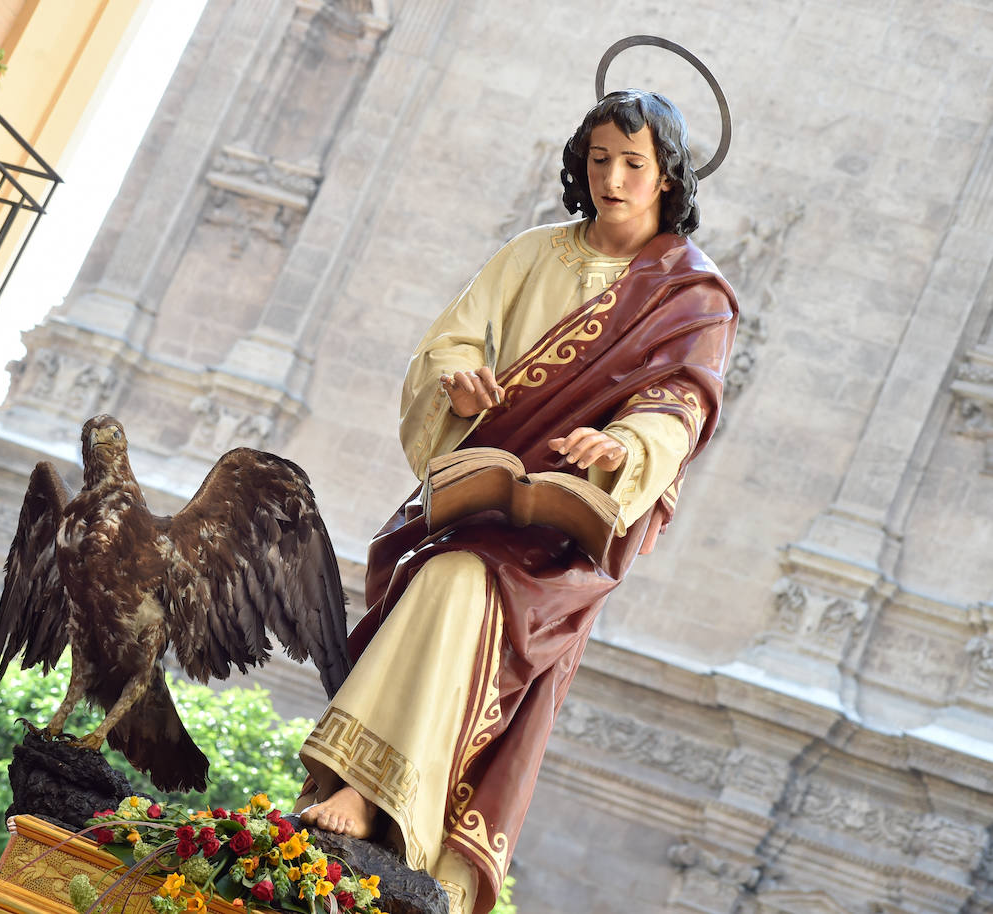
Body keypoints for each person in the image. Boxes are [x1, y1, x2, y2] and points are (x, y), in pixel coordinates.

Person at [295, 89, 738, 914]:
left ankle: (371, 795)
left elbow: (683, 402)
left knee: (459, 584)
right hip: (484, 495)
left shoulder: (694, 297)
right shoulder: (534, 253)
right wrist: (458, 391)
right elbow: (453, 343)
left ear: (667, 178)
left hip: (568, 533)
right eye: (599, 158)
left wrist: (623, 446)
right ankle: (367, 795)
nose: (612, 177)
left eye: (633, 163)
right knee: (447, 574)